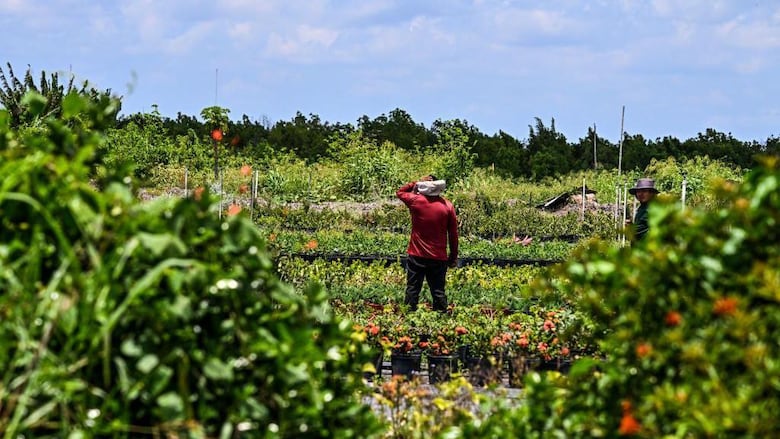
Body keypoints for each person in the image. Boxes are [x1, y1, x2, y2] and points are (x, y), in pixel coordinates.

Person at [396, 175, 459, 312]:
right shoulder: (447, 206)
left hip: (416, 255)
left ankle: (409, 316)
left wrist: (417, 181)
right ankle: (441, 317)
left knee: (413, 289)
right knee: (438, 291)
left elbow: (400, 192)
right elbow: (453, 235)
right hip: (438, 257)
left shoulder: (416, 201)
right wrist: (453, 257)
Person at [627, 177, 659, 242]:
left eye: (644, 191)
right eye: (638, 191)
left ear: (652, 193)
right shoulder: (642, 207)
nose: (640, 194)